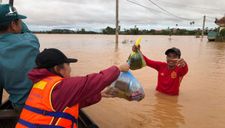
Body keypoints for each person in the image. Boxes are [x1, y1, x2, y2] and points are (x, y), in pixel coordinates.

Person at [16, 48, 129, 128]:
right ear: (58, 68)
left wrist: (100, 94)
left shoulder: (41, 84)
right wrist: (118, 68)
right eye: (68, 65)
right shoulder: (59, 86)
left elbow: (71, 105)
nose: (70, 69)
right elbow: (91, 81)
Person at [0, 4, 40, 112]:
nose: (21, 23)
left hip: (21, 107)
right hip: (42, 101)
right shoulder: (31, 40)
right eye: (19, 20)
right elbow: (26, 31)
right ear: (13, 24)